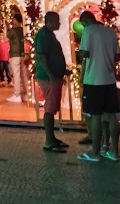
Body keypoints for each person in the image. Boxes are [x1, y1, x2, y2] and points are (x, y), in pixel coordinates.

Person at [77, 11, 120, 163]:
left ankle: (95, 152)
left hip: (93, 80)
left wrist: (81, 50)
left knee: (95, 116)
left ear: (86, 20)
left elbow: (84, 53)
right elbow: (116, 57)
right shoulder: (110, 32)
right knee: (112, 116)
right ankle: (113, 151)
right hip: (109, 79)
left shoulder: (88, 31)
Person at [35, 11, 69, 152]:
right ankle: (49, 141)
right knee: (49, 108)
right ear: (49, 21)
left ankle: (52, 138)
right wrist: (50, 74)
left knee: (52, 106)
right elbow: (42, 56)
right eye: (57, 21)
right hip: (50, 77)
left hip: (53, 76)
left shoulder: (48, 35)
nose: (59, 23)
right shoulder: (44, 36)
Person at [6, 14, 28, 103]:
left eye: (13, 19)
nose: (12, 21)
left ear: (16, 20)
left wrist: (8, 27)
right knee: (24, 75)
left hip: (15, 55)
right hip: (23, 54)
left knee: (16, 74)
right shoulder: (24, 30)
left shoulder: (13, 31)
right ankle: (26, 94)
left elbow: (7, 36)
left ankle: (17, 94)